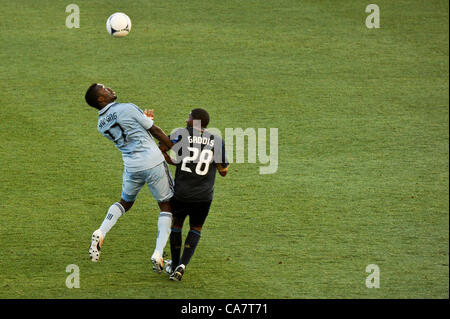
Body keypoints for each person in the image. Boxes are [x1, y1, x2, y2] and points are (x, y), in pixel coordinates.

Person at [84, 83, 174, 274]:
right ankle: (158, 254)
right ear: (100, 99)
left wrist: (143, 121)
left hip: (132, 166)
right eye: (104, 89)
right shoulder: (127, 108)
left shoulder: (101, 125)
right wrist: (173, 147)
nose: (109, 89)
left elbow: (130, 133)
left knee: (125, 202)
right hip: (153, 161)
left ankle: (101, 231)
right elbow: (155, 130)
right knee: (167, 206)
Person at [155, 108, 229, 281]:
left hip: (182, 193)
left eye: (188, 116)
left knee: (177, 225)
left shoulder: (182, 134)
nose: (186, 119)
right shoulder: (217, 140)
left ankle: (173, 263)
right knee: (196, 228)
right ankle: (182, 265)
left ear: (195, 121)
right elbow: (223, 171)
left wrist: (174, 161)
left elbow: (162, 148)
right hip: (204, 196)